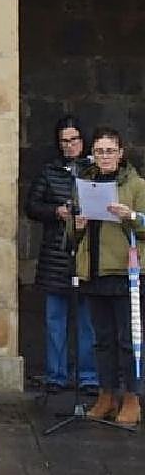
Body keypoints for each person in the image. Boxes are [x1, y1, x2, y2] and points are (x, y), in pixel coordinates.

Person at [72, 126, 145, 427]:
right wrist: (76, 223)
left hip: (123, 271)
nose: (104, 156)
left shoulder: (137, 185)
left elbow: (144, 224)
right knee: (101, 340)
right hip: (93, 269)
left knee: (128, 340)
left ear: (120, 153)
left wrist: (129, 216)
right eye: (99, 151)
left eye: (110, 151)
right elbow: (73, 234)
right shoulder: (85, 183)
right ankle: (106, 394)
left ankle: (132, 397)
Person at [26, 116, 98, 395]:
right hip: (56, 253)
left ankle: (88, 376)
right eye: (65, 141)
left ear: (83, 140)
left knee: (86, 321)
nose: (70, 146)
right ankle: (56, 374)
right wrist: (56, 211)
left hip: (86, 251)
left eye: (74, 140)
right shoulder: (50, 171)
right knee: (55, 320)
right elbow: (32, 205)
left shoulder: (93, 170)